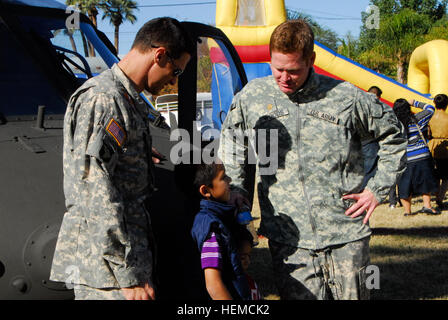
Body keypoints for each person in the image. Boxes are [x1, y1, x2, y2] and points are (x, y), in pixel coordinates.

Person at [218, 19, 407, 300]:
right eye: (277, 68)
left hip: (346, 233)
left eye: (293, 70)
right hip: (288, 238)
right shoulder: (252, 98)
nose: (283, 77)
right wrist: (236, 191)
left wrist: (376, 190)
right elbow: (233, 146)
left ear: (311, 60)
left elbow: (394, 135)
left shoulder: (346, 97)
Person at [49, 17, 194, 300]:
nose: (173, 81)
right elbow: (95, 191)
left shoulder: (126, 100)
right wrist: (127, 275)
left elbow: (111, 163)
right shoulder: (104, 99)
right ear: (159, 55)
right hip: (108, 273)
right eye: (176, 71)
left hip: (123, 265)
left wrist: (136, 155)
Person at [190, 160, 252, 300]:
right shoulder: (210, 227)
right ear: (206, 190)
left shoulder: (223, 215)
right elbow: (213, 285)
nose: (230, 180)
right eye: (223, 177)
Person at [393, 98, 440, 216]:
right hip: (421, 155)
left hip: (404, 157)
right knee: (425, 181)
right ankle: (427, 206)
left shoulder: (394, 124)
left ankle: (407, 211)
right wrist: (414, 103)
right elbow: (430, 108)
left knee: (404, 184)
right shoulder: (417, 119)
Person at [428, 94, 448, 209]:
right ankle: (440, 198)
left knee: (435, 175)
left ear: (435, 104)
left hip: (433, 147)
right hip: (446, 148)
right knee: (445, 177)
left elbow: (428, 133)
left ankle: (436, 196)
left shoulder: (431, 117)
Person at [236, 228, 262, 300]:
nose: (248, 261)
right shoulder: (221, 286)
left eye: (249, 255)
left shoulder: (250, 284)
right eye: (242, 257)